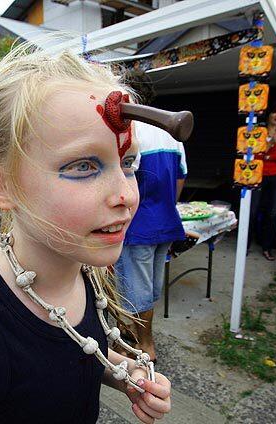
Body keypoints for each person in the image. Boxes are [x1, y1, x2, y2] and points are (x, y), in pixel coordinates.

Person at [0, 46, 171, 423]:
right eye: (83, 166)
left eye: (127, 163)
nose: (125, 194)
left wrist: (127, 375)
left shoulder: (84, 273)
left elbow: (73, 351)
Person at [114, 72, 187, 362]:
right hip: (166, 222)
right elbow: (180, 180)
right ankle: (140, 343)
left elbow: (122, 183)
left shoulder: (133, 134)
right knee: (151, 288)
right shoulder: (171, 133)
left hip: (138, 226)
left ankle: (140, 346)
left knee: (131, 291)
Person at [251, 102, 276, 261]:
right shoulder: (258, 132)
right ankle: (246, 244)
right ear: (268, 114)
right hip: (258, 175)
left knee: (272, 212)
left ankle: (267, 248)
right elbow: (255, 154)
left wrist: (267, 154)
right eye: (275, 112)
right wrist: (272, 144)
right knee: (253, 211)